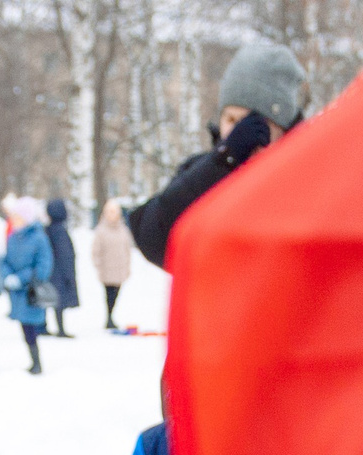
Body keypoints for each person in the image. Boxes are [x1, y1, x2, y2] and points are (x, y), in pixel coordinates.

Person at [129, 40, 307, 267]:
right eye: (231, 120)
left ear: (282, 129)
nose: (238, 133)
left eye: (254, 124)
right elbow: (153, 238)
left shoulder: (303, 179)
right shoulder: (205, 169)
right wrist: (223, 161)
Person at [2, 196, 54, 375]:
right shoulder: (12, 238)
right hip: (16, 293)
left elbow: (43, 266)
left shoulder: (39, 238)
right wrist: (7, 275)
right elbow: (5, 260)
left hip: (30, 291)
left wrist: (21, 278)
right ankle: (33, 361)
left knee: (31, 327)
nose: (14, 220)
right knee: (25, 327)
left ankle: (37, 362)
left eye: (17, 216)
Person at [92, 197, 133, 328]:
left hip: (120, 268)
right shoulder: (101, 230)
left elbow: (127, 249)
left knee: (116, 294)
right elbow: (95, 251)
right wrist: (99, 265)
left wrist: (127, 265)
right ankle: (108, 318)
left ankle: (111, 316)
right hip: (107, 269)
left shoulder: (123, 230)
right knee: (109, 294)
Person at [45, 197, 79, 337]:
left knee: (52, 300)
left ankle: (49, 327)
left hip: (52, 271)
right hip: (59, 272)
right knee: (59, 302)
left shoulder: (48, 229)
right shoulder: (60, 231)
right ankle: (61, 329)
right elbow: (65, 254)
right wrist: (69, 274)